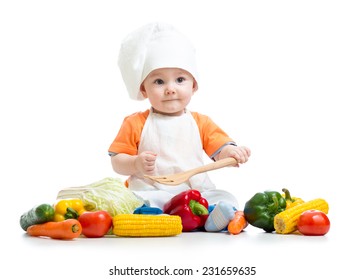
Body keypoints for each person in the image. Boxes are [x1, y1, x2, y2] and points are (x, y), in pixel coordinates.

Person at [108, 22, 251, 232]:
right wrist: (135, 164)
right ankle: (156, 216)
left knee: (226, 197)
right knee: (140, 199)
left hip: (194, 191)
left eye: (180, 79)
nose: (170, 89)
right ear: (144, 89)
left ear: (194, 86)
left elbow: (220, 149)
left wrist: (231, 152)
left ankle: (210, 216)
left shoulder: (201, 122)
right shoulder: (135, 122)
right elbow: (117, 161)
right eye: (159, 82)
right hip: (152, 188)